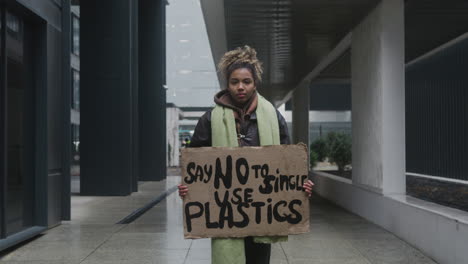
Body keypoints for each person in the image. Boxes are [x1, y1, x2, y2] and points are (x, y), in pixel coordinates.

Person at [178, 45, 314, 264]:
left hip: (262, 210)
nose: (240, 87)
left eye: (246, 82)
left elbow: (289, 163)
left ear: (255, 83)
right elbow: (194, 164)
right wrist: (188, 186)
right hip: (226, 211)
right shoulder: (209, 120)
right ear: (227, 84)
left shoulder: (273, 116)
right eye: (234, 82)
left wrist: (300, 184)